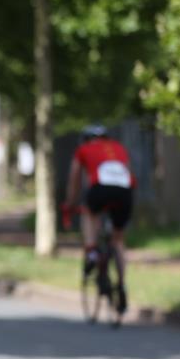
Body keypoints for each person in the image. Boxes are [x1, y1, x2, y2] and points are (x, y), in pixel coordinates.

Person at [63, 124, 135, 312]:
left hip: (99, 190)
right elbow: (128, 172)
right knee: (118, 239)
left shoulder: (83, 149)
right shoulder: (118, 148)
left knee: (89, 212)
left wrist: (70, 203)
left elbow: (74, 178)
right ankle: (121, 284)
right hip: (124, 192)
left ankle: (92, 251)